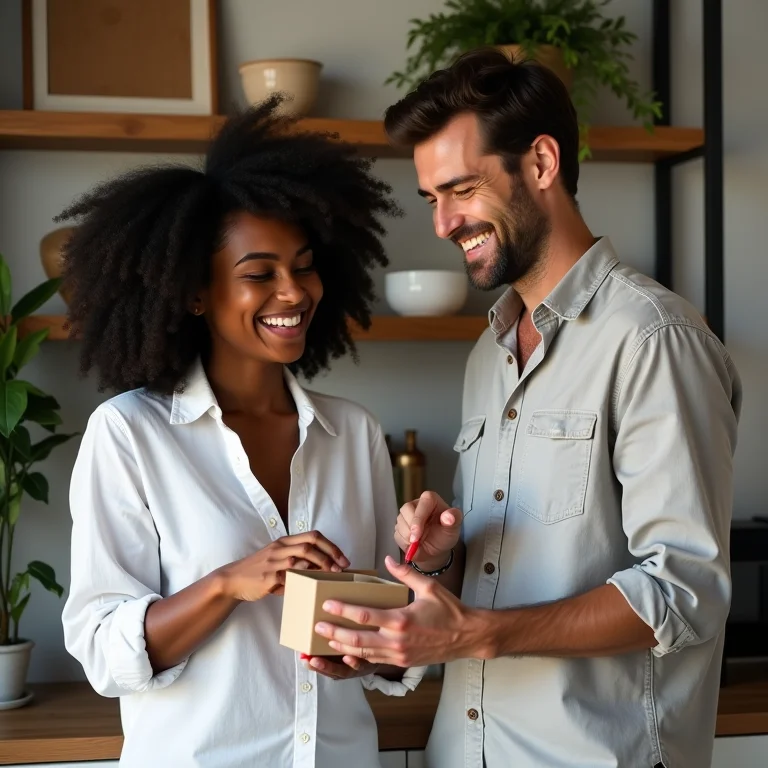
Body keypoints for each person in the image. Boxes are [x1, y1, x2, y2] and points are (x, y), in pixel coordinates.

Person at [313, 49, 742, 768]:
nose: (444, 223)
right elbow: (499, 586)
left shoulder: (653, 339)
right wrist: (444, 567)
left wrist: (476, 633)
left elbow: (685, 589)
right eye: (431, 199)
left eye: (461, 190)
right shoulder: (490, 356)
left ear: (541, 163)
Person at [59, 96, 424, 768]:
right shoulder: (130, 435)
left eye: (304, 265)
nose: (294, 292)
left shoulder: (352, 432)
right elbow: (106, 654)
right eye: (259, 274)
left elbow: (383, 639)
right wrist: (230, 582)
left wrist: (371, 638)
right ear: (197, 293)